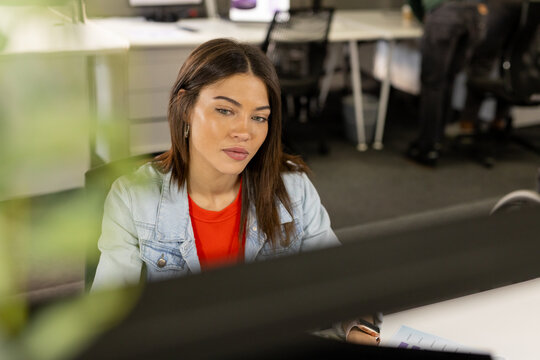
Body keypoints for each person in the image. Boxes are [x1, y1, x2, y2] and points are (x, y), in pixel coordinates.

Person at [91, 38, 380, 345]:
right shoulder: (134, 198)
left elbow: (341, 287)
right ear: (185, 107)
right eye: (225, 110)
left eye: (259, 117)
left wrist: (359, 329)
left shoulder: (293, 189)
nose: (244, 131)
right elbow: (105, 320)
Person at [406, 0, 522, 166]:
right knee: (448, 79)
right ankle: (439, 138)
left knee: (433, 84)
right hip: (474, 15)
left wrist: (423, 16)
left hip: (444, 15)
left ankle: (427, 148)